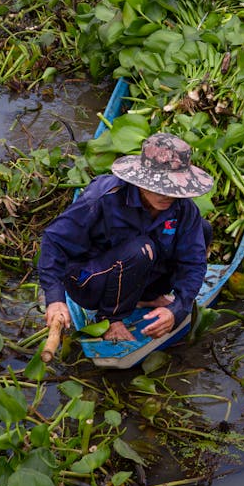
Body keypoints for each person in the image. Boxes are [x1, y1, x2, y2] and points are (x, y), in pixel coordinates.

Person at [39, 132, 214, 342]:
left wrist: (177, 310)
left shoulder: (183, 208)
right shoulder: (104, 197)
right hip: (94, 281)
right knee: (142, 248)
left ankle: (146, 298)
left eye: (173, 189)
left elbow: (193, 263)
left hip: (142, 276)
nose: (167, 195)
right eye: (160, 188)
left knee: (203, 230)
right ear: (140, 180)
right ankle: (111, 318)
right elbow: (54, 241)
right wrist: (55, 298)